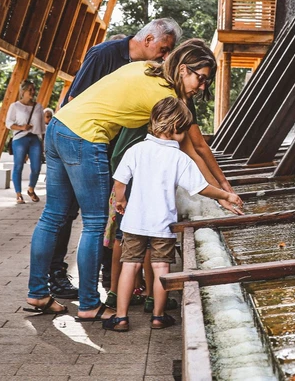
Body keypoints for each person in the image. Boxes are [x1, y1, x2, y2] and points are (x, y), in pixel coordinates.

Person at [24, 40, 242, 321]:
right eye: (201, 79)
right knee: (94, 222)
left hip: (58, 127)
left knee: (53, 215)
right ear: (184, 69)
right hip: (85, 136)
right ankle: (90, 304)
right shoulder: (166, 99)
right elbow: (195, 149)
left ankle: (38, 292)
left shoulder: (147, 68)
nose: (201, 87)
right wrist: (225, 190)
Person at [46, 19, 184, 301]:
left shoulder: (146, 70)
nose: (166, 55)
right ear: (147, 40)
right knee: (79, 217)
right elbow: (75, 99)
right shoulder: (105, 55)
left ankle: (108, 283)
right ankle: (64, 281)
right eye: (164, 48)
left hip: (105, 147)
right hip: (85, 141)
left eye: (171, 51)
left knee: (106, 220)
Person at [104, 97, 239, 331]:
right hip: (163, 225)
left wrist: (121, 200)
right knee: (161, 268)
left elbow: (119, 181)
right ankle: (158, 316)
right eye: (184, 130)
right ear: (176, 128)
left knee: (130, 266)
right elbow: (200, 188)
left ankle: (121, 317)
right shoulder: (179, 158)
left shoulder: (136, 149)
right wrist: (225, 196)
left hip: (134, 223)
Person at [5, 81, 45, 204]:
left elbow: (42, 127)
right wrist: (22, 127)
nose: (33, 92)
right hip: (20, 138)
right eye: (30, 90)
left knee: (36, 167)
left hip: (35, 139)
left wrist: (42, 142)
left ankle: (31, 189)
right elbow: (8, 123)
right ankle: (18, 194)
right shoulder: (15, 106)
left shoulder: (38, 107)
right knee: (18, 166)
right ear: (23, 92)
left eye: (33, 89)